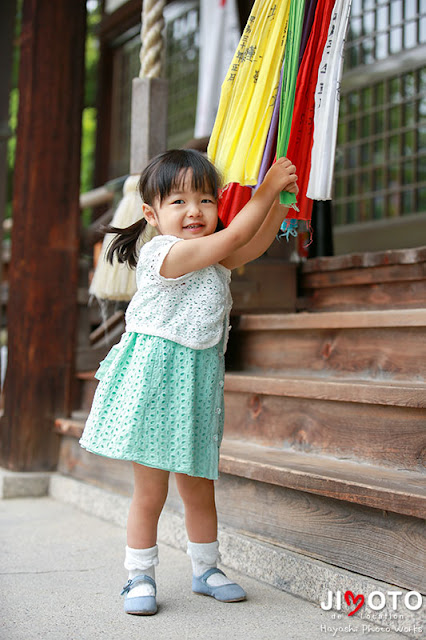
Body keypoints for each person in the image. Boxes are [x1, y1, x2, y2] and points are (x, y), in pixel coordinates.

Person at [79, 149, 298, 616]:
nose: (194, 211)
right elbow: (238, 233)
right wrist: (264, 190)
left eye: (204, 199)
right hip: (156, 387)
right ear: (151, 215)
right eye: (178, 202)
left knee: (199, 487)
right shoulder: (165, 253)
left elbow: (249, 246)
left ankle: (206, 569)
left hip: (196, 385)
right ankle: (139, 575)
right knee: (151, 490)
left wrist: (279, 204)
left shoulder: (213, 255)